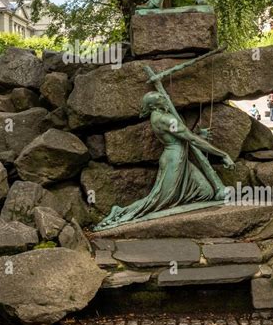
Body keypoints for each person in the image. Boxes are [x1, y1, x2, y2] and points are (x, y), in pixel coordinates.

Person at [95, 89, 234, 229]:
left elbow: (182, 135)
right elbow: (191, 140)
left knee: (206, 193)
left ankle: (180, 202)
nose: (166, 97)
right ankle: (120, 211)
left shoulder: (159, 115)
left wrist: (196, 134)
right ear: (154, 106)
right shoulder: (165, 119)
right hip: (174, 161)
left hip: (181, 159)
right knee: (157, 200)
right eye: (161, 97)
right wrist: (223, 155)